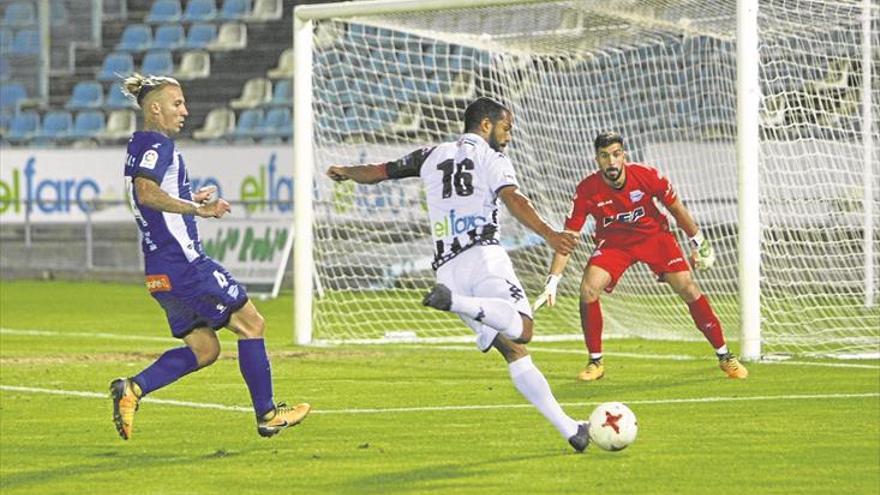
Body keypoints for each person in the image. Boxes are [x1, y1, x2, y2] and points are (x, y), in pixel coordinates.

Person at [326, 97, 591, 452]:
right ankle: (458, 303)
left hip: (447, 269)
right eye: (506, 127)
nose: (508, 136)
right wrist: (550, 234)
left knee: (513, 351)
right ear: (486, 125)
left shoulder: (430, 154)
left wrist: (344, 171)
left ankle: (571, 429)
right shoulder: (492, 158)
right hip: (483, 257)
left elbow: (379, 172)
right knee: (523, 330)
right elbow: (515, 200)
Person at [110, 73, 310, 440]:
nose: (184, 111)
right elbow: (146, 193)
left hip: (159, 272)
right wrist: (196, 209)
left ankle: (132, 389)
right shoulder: (157, 145)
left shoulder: (139, 145)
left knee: (205, 348)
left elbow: (151, 193)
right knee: (253, 325)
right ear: (155, 108)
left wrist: (190, 197)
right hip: (185, 266)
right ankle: (267, 414)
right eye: (177, 103)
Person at [534, 131, 748, 381]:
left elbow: (677, 210)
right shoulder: (586, 190)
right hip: (614, 244)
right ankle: (595, 362)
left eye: (615, 154)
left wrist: (700, 242)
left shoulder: (647, 176)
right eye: (604, 156)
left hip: (654, 238)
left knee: (687, 287)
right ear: (597, 160)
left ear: (624, 155)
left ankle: (725, 356)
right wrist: (553, 280)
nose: (611, 162)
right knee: (588, 289)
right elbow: (569, 236)